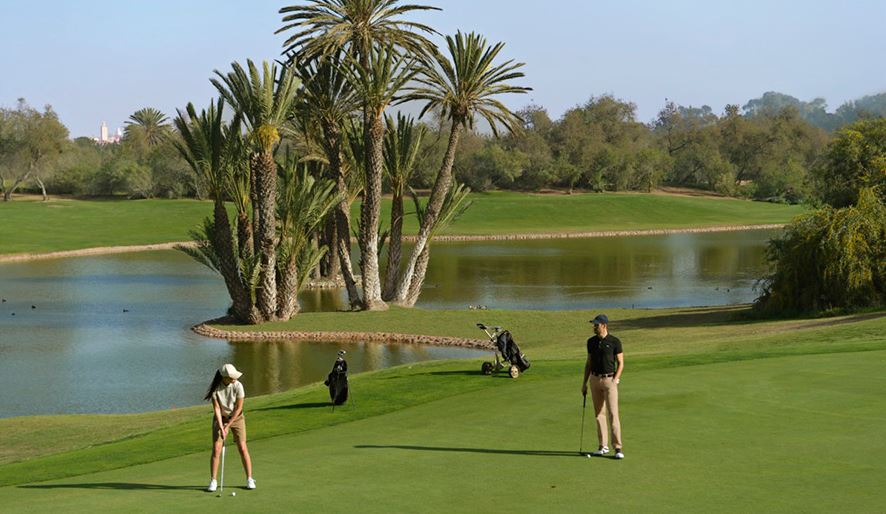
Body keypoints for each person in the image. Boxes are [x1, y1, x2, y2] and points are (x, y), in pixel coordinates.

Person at [205, 363, 256, 491]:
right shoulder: (216, 389)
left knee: (242, 448)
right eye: (232, 377)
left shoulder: (238, 386)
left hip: (237, 418)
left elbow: (239, 408)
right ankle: (213, 481)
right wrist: (222, 426)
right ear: (224, 378)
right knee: (216, 448)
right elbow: (216, 408)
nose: (235, 379)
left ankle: (249, 479)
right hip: (220, 418)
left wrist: (228, 425)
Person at [580, 314, 625, 459]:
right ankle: (602, 446)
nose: (594, 327)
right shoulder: (591, 342)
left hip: (609, 380)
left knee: (613, 414)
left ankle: (617, 448)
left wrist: (615, 379)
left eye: (596, 325)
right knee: (599, 414)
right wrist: (584, 383)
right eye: (594, 324)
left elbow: (621, 363)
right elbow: (589, 363)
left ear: (604, 325)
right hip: (594, 379)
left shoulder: (614, 341)